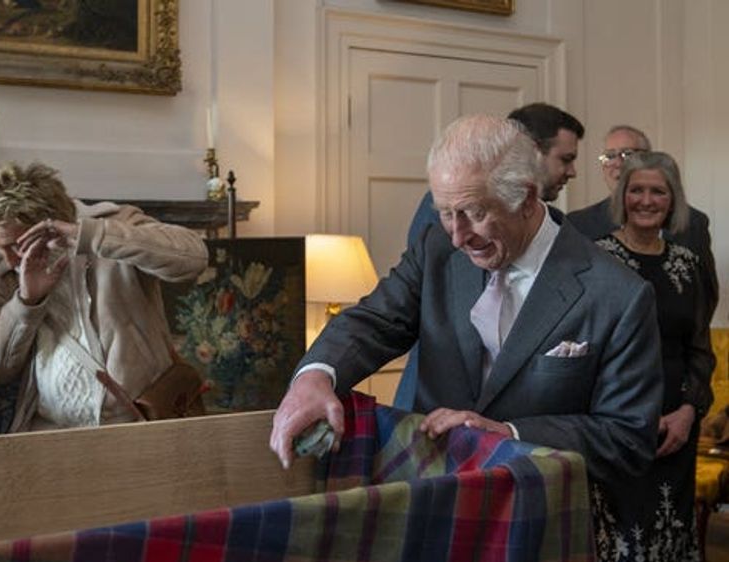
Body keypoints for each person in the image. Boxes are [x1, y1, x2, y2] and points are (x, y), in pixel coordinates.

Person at [270, 112, 662, 504]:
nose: (457, 236)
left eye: (475, 213)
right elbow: (374, 321)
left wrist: (508, 434)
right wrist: (315, 375)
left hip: (534, 515)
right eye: (445, 212)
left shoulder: (618, 294)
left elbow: (627, 438)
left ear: (526, 199)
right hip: (427, 495)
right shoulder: (436, 248)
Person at [0, 162, 208, 432]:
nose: (9, 260)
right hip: (50, 433)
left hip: (133, 424)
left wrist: (89, 236)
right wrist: (27, 301)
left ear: (46, 224)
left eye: (15, 244)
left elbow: (194, 257)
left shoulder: (116, 224)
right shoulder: (12, 275)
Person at [593, 151, 717, 562]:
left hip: (678, 425)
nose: (646, 200)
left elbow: (700, 351)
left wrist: (689, 411)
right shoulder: (595, 258)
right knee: (630, 547)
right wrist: (627, 419)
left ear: (673, 201)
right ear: (621, 196)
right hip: (618, 424)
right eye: (636, 190)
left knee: (670, 535)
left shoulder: (687, 264)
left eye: (658, 191)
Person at [394, 103, 585, 410]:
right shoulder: (449, 215)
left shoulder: (571, 244)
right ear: (531, 154)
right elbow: (414, 305)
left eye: (476, 213)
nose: (458, 235)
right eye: (566, 159)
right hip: (433, 411)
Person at [566, 125, 718, 321]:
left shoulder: (693, 223)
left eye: (627, 154)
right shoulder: (578, 224)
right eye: (609, 156)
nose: (617, 163)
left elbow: (704, 300)